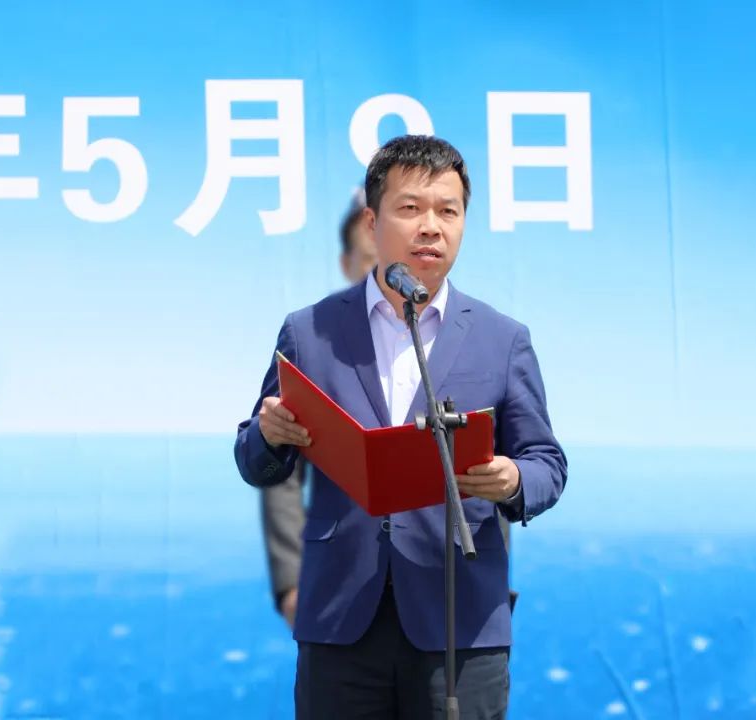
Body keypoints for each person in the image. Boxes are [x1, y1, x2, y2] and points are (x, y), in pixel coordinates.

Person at [236, 135, 566, 719]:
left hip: (459, 620)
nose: (431, 227)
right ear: (372, 222)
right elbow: (254, 458)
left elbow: (546, 462)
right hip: (342, 618)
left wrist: (513, 479)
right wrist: (269, 435)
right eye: (410, 208)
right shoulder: (309, 331)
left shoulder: (502, 338)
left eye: (448, 211)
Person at [260, 191, 378, 628]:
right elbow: (282, 466)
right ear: (347, 264)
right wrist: (292, 583)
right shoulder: (312, 338)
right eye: (370, 261)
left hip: (441, 597)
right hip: (339, 592)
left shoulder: (459, 336)